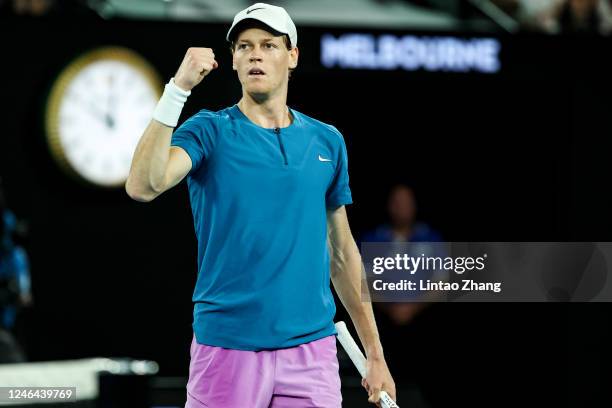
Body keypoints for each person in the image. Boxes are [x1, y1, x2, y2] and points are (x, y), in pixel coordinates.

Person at [125, 3, 396, 407]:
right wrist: (177, 90)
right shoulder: (208, 131)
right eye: (244, 46)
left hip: (311, 353)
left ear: (292, 56)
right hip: (227, 349)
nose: (255, 54)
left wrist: (375, 353)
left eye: (269, 45)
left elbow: (341, 252)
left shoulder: (327, 141)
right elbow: (143, 186)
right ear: (232, 61)